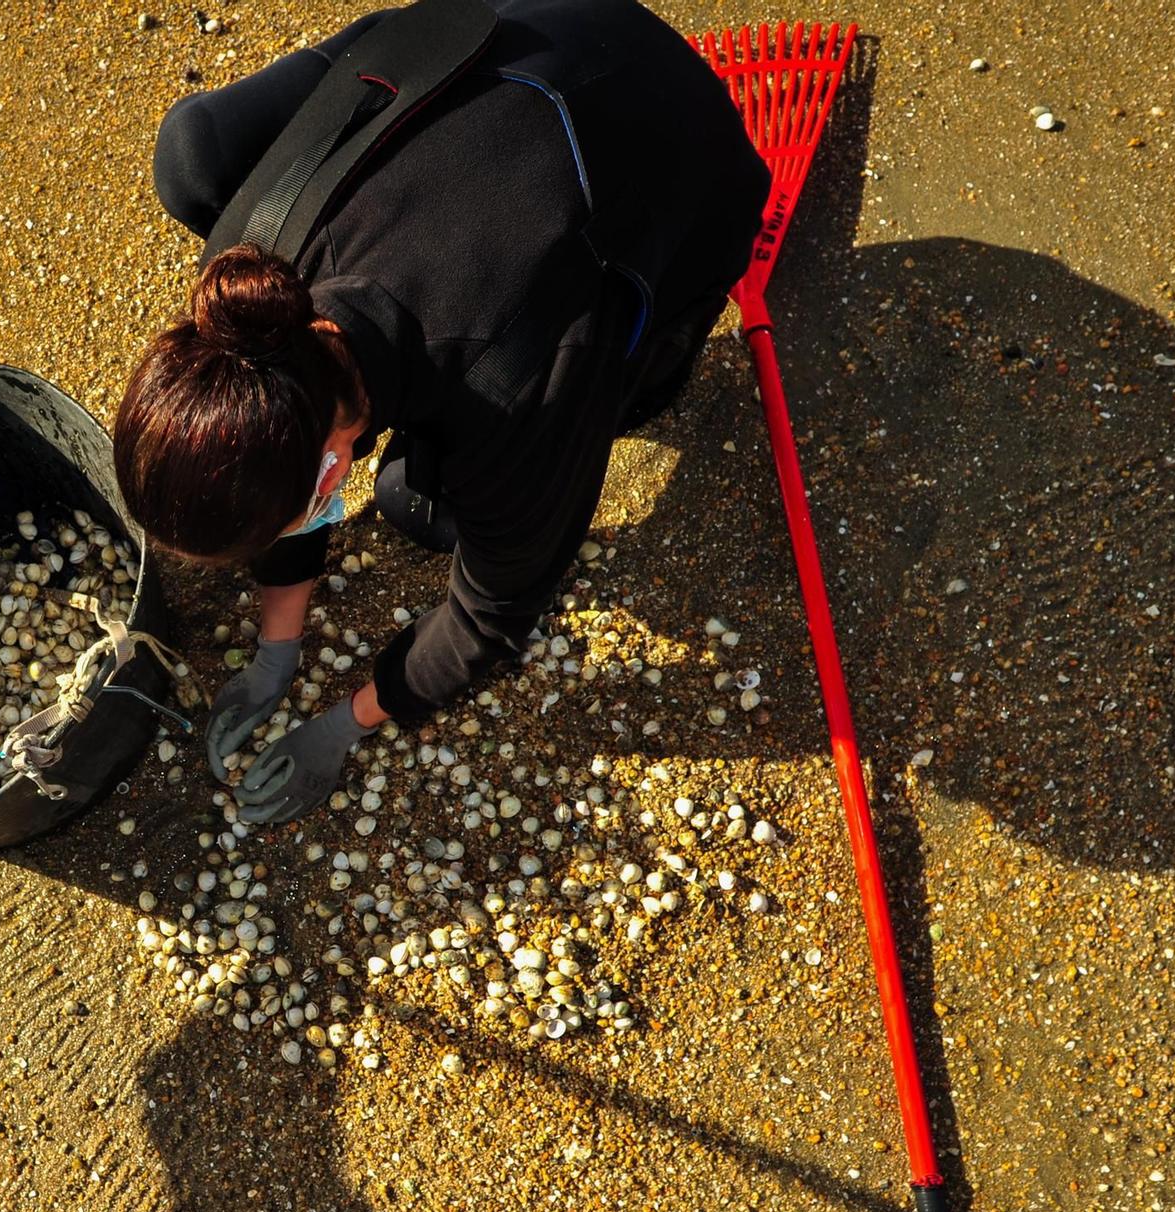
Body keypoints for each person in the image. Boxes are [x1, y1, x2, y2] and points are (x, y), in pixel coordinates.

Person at [114, 0, 769, 824]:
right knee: (192, 156)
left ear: (326, 473)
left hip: (678, 134)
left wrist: (344, 725)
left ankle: (656, 310)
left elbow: (492, 617)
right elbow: (288, 463)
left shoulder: (513, 389)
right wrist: (276, 649)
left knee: (417, 502)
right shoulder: (250, 258)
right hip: (517, 29)